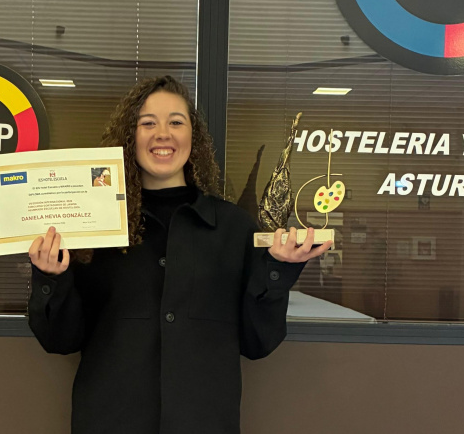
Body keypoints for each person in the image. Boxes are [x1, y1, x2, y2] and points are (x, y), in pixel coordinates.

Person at [27, 75, 330, 434]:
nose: (162, 134)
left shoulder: (234, 229)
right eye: (147, 123)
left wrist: (277, 270)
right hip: (110, 420)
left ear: (193, 137)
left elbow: (257, 342)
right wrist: (51, 277)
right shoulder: (96, 228)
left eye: (175, 122)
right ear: (130, 137)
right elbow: (60, 339)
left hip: (203, 421)